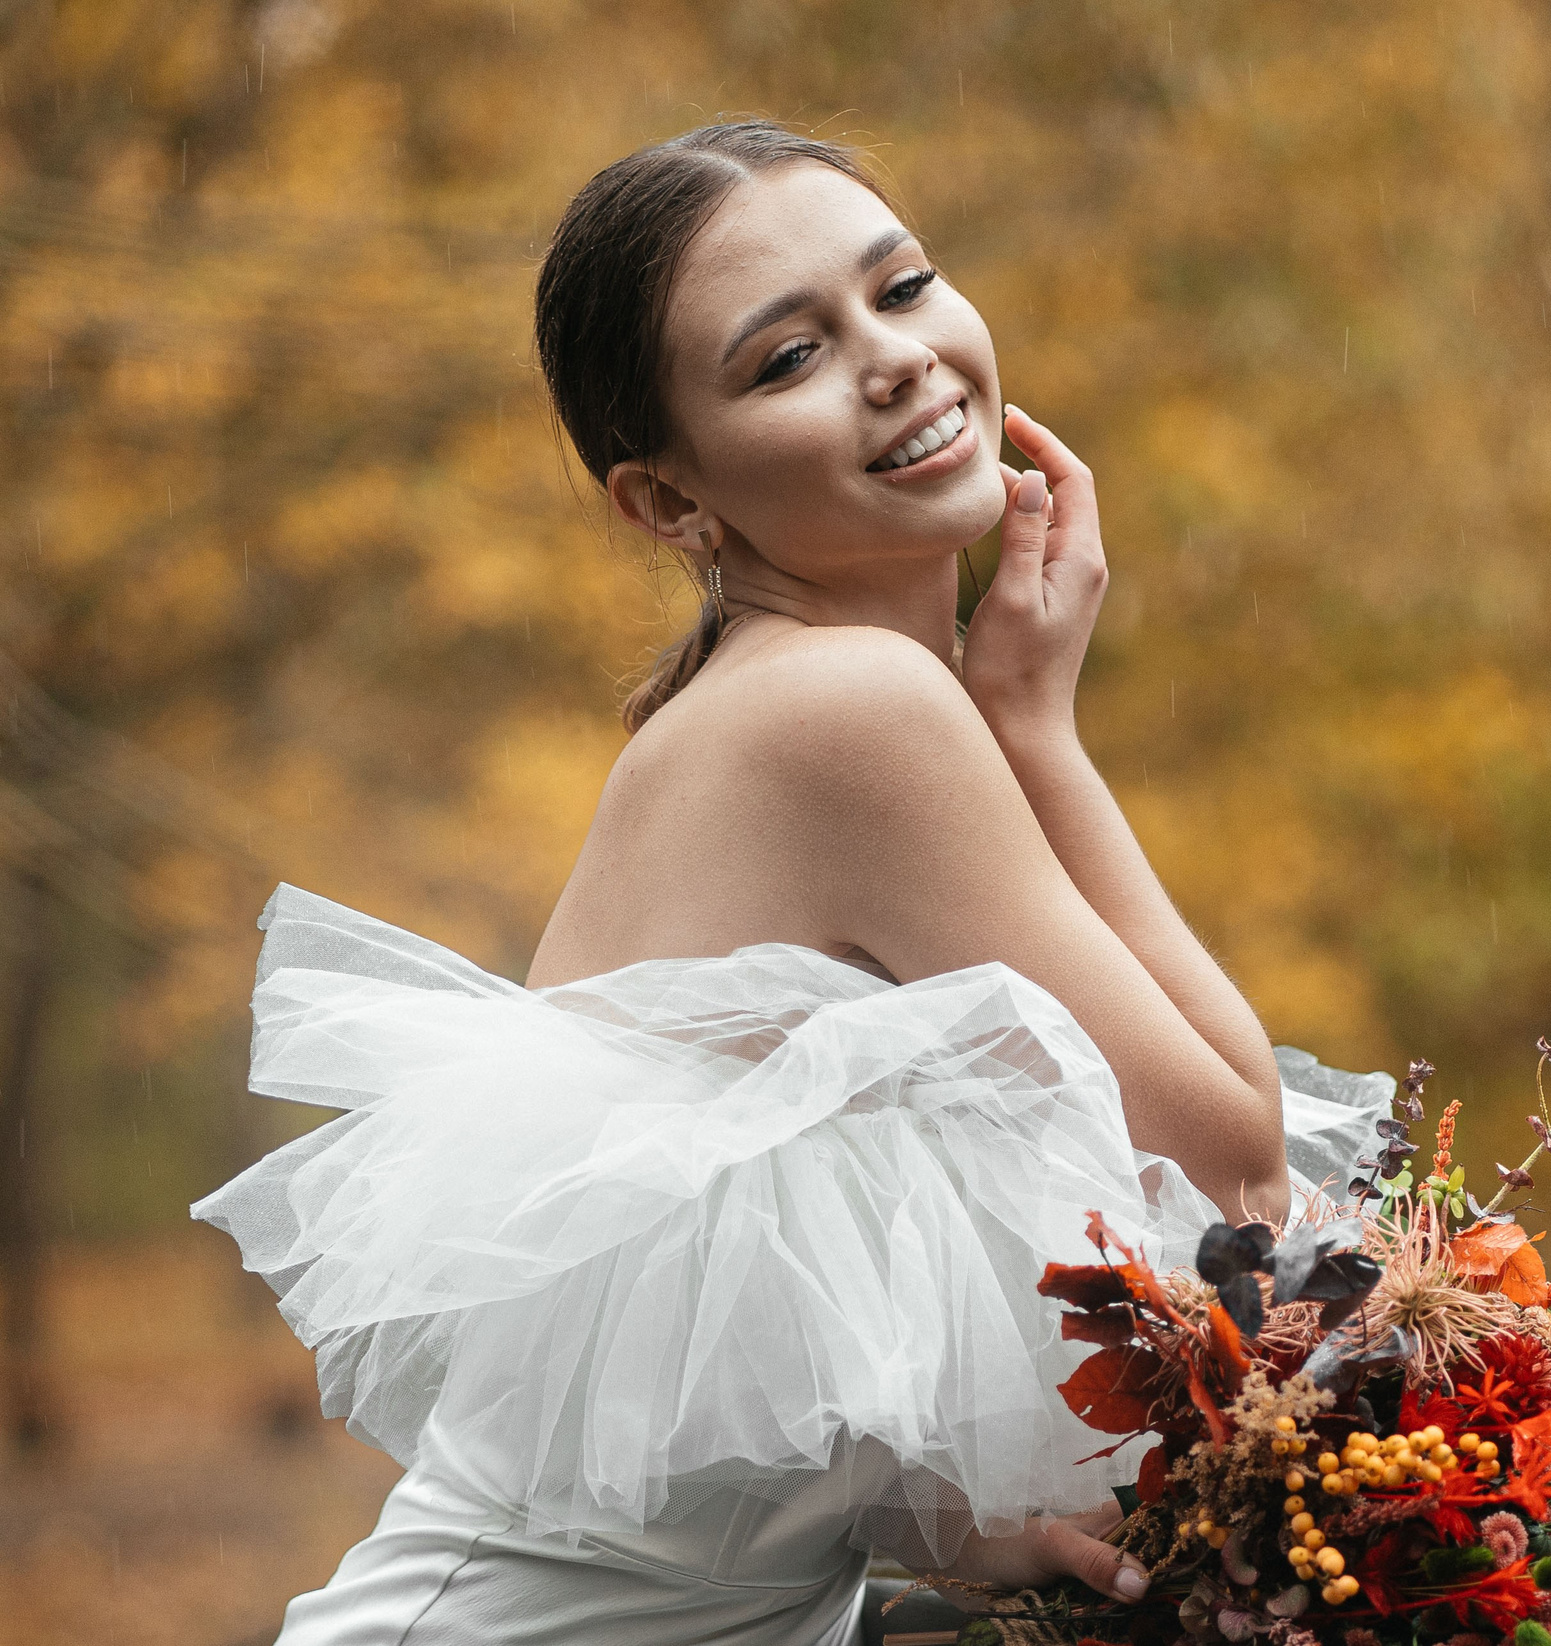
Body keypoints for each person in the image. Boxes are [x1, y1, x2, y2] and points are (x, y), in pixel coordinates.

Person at [192, 121, 1393, 1646]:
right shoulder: (847, 715)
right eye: (785, 360)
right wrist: (1036, 729)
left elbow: (698, 1360)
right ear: (670, 504)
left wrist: (956, 1520)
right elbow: (1238, 1171)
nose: (895, 358)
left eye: (902, 286)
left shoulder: (777, 713)